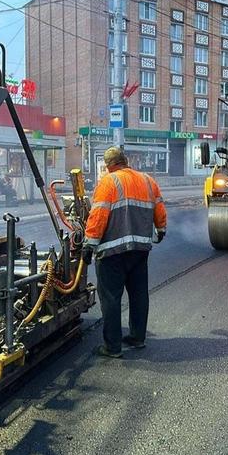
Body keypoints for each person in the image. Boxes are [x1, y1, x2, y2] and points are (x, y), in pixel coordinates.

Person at [82, 147, 167, 358]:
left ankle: (112, 347)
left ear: (109, 165)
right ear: (126, 161)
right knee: (138, 294)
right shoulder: (148, 181)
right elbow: (159, 208)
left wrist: (89, 245)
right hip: (140, 250)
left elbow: (98, 215)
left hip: (113, 252)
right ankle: (137, 338)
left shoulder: (109, 182)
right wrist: (161, 228)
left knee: (111, 298)